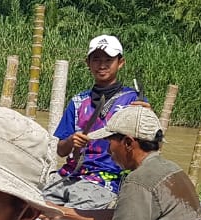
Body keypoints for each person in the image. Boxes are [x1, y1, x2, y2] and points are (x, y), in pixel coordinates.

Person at [42, 106, 201, 220]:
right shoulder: (170, 169)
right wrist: (62, 212)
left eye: (110, 142)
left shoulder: (139, 181)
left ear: (127, 143)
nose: (108, 151)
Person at [44, 34, 142, 209]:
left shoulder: (133, 101)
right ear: (88, 63)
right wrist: (71, 141)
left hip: (105, 181)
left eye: (108, 60)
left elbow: (149, 148)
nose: (102, 65)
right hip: (69, 175)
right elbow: (61, 150)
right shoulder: (78, 101)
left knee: (68, 218)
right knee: (33, 210)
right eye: (96, 59)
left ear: (120, 62)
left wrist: (146, 118)